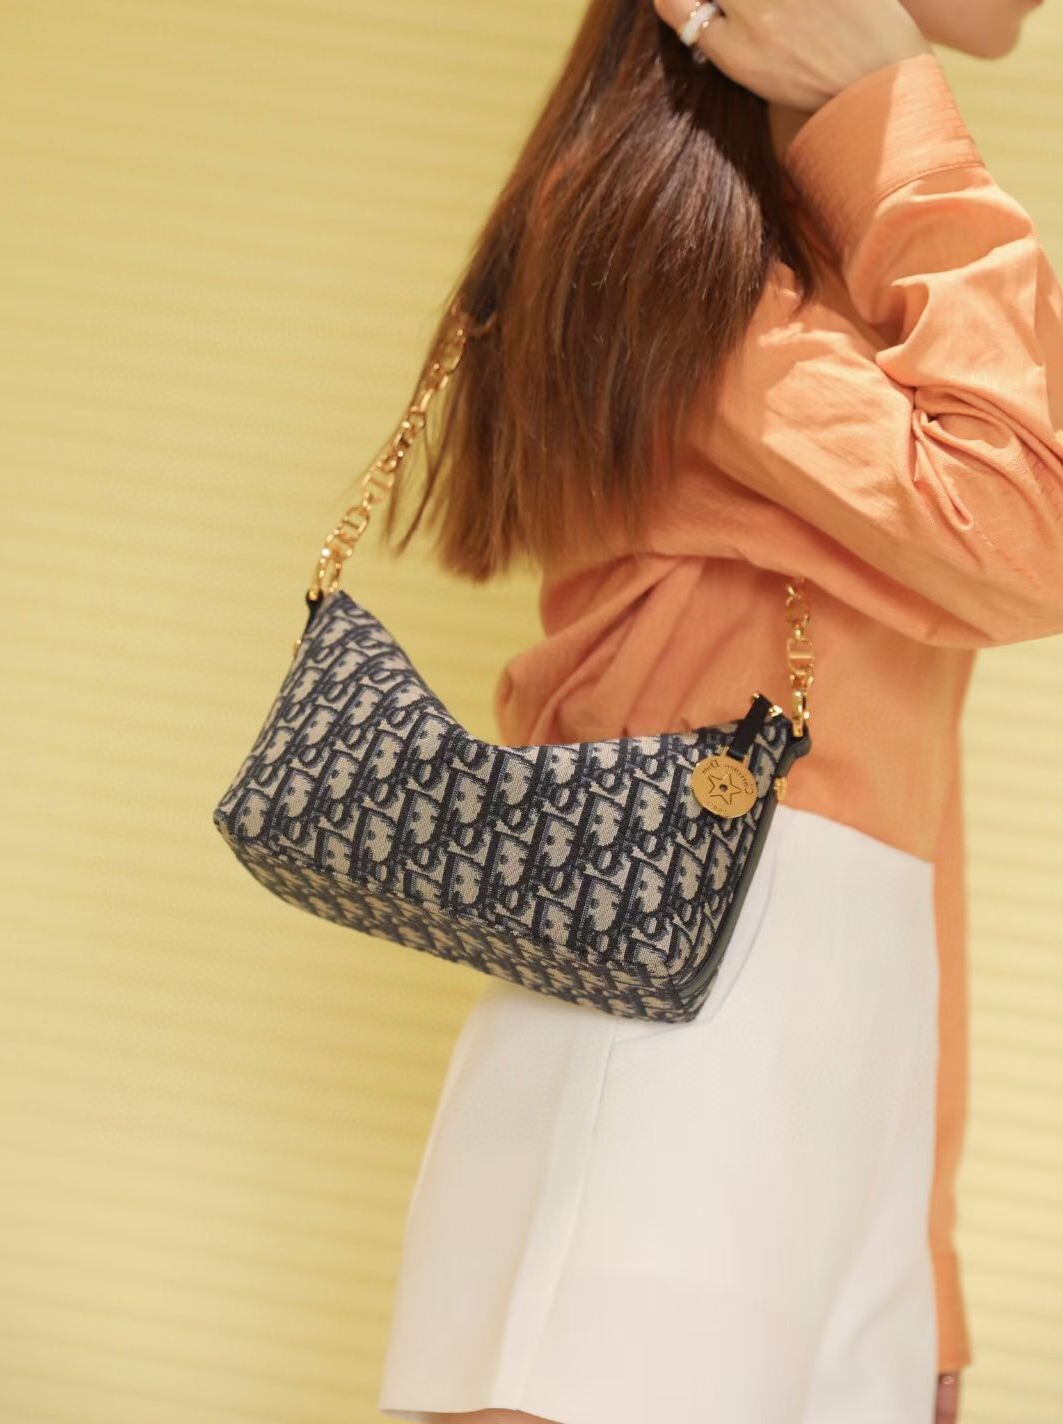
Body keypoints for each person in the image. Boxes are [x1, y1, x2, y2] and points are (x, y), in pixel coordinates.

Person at [375, 2, 1063, 1421]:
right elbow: (1033, 529)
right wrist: (894, 96)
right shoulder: (694, 277)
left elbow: (891, 813)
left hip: (813, 1103)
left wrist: (916, 1256)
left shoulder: (836, 273)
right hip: (672, 1077)